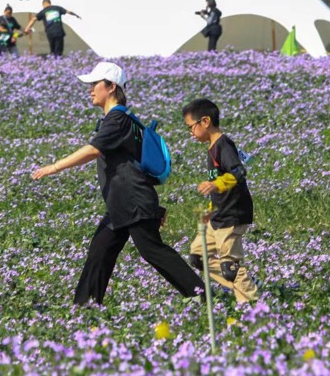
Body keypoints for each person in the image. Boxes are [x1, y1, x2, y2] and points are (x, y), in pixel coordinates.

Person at [31, 61, 204, 306]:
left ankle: (203, 295)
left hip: (132, 201)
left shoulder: (117, 120)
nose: (90, 89)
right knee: (100, 252)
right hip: (122, 202)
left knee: (152, 251)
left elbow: (93, 150)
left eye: (95, 84)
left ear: (111, 87)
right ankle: (85, 306)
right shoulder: (123, 120)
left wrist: (55, 167)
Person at [182, 98, 258, 304]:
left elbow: (239, 173)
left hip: (232, 215)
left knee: (230, 265)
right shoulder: (212, 147)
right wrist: (209, 210)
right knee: (198, 256)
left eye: (191, 127)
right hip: (217, 215)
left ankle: (252, 305)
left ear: (205, 122)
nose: (190, 133)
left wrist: (216, 184)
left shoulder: (223, 145)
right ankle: (239, 282)